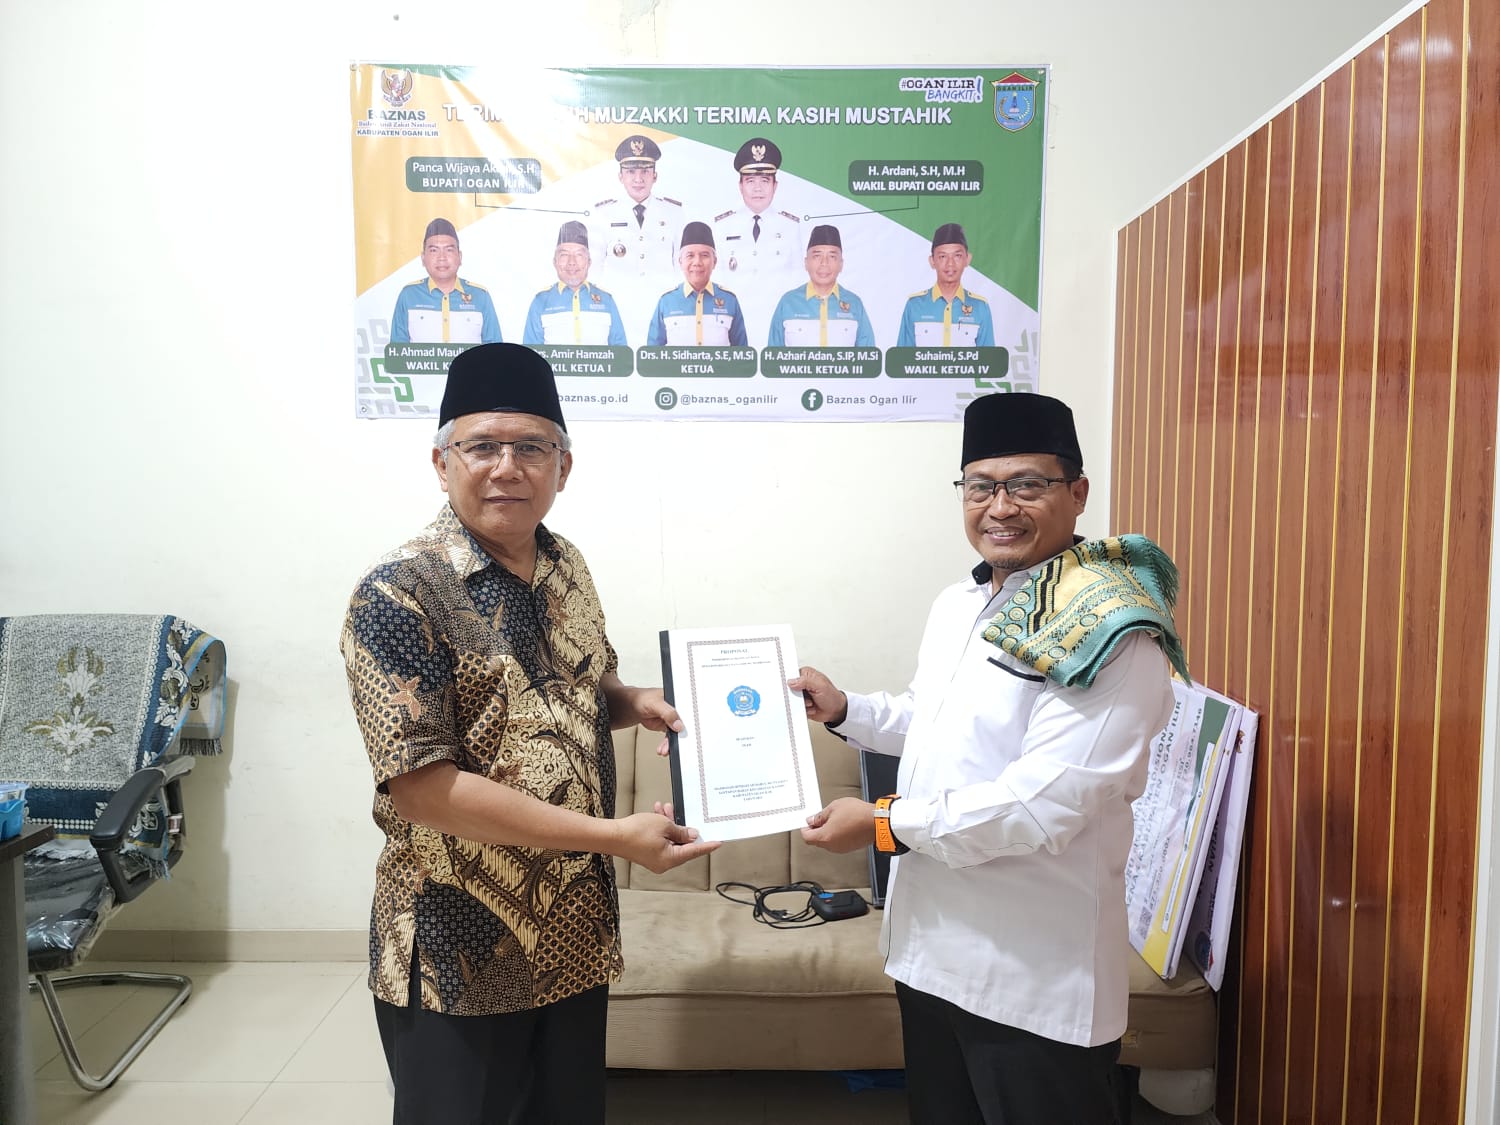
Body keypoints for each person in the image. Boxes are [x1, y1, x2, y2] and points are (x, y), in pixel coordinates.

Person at [341, 343, 718, 1124]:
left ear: (563, 466)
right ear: (441, 462)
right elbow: (424, 789)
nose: (506, 468)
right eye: (482, 446)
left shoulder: (565, 565)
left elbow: (582, 687)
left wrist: (636, 699)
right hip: (458, 948)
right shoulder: (399, 593)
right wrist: (613, 837)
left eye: (531, 448)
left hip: (574, 932)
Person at [793, 393, 1188, 1124]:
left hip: (1031, 983)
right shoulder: (959, 604)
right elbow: (935, 721)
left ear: (1077, 493)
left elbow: (1041, 805)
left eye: (1027, 484)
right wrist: (845, 709)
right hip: (929, 957)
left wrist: (883, 824)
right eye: (981, 486)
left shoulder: (1112, 632)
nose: (1000, 507)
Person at [711, 137, 803, 345]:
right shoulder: (722, 226)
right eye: (751, 181)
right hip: (733, 324)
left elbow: (798, 280)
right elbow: (716, 281)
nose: (758, 189)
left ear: (775, 186)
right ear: (740, 186)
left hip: (778, 324)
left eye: (765, 181)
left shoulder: (790, 226)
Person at [389, 218, 503, 345]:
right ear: (423, 258)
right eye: (434, 250)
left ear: (459, 257)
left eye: (449, 250)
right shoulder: (409, 296)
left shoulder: (480, 297)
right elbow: (397, 352)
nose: (442, 257)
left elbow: (495, 350)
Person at [765, 224, 875, 347]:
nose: (824, 263)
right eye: (817, 256)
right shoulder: (788, 302)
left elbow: (868, 355)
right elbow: (772, 355)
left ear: (841, 264)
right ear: (806, 263)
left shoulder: (854, 304)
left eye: (832, 256)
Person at [522, 221, 627, 346]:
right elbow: (530, 353)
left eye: (579, 255)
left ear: (589, 262)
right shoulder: (541, 301)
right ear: (555, 262)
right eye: (564, 255)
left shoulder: (606, 300)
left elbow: (621, 351)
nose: (571, 262)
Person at [645, 221, 748, 347]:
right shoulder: (666, 301)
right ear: (680, 262)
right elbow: (652, 354)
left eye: (704, 255)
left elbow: (742, 354)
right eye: (690, 255)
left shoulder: (729, 300)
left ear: (715, 262)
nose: (697, 262)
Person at [896, 222, 995, 347]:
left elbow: (989, 358)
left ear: (967, 259)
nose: (950, 264)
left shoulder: (980, 307)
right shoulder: (914, 305)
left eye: (957, 256)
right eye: (943, 256)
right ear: (932, 261)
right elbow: (902, 357)